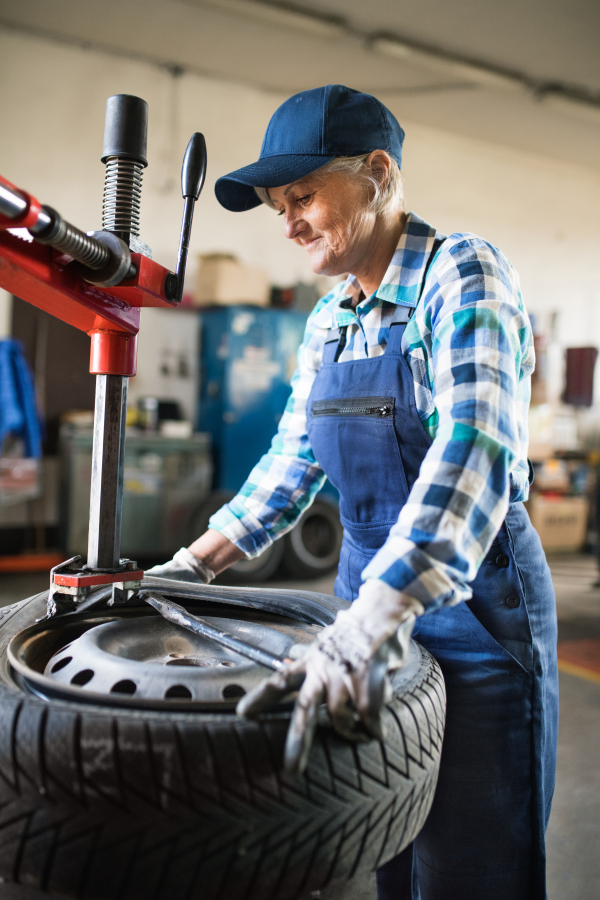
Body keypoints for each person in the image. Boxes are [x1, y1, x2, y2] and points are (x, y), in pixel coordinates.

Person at [148, 85, 558, 900]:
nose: (290, 220)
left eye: (302, 195)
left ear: (377, 175)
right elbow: (289, 467)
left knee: (471, 862)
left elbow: (473, 449)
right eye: (277, 207)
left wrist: (373, 620)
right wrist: (183, 571)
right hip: (361, 612)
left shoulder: (462, 274)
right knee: (388, 846)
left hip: (475, 612)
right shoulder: (332, 318)